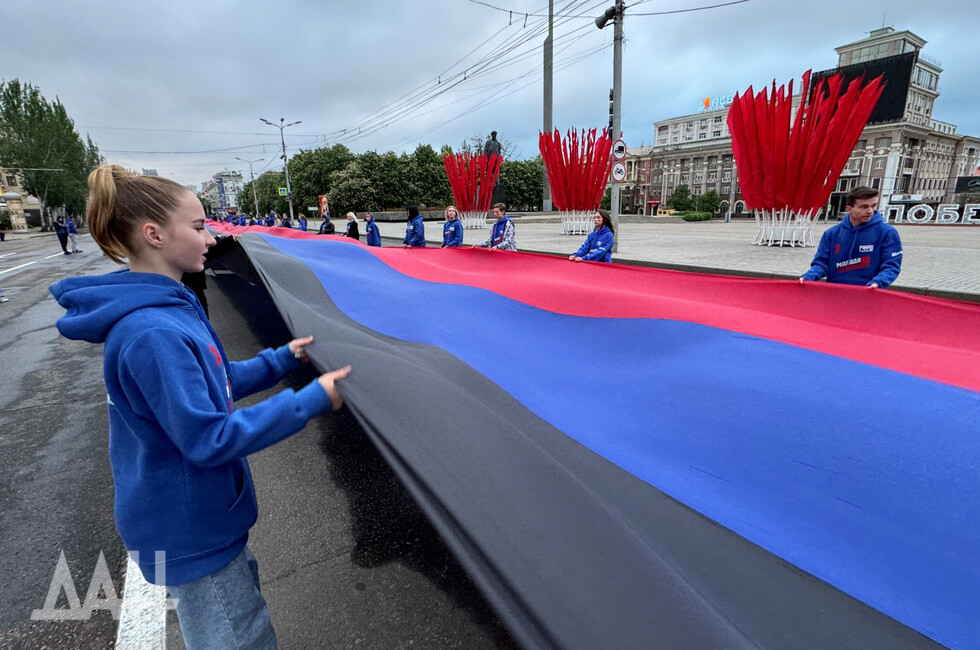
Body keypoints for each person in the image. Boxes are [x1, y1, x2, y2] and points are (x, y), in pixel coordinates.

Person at [48, 165, 351, 650]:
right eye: (198, 226)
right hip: (191, 531)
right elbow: (208, 437)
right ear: (155, 235)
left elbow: (218, 379)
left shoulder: (171, 307)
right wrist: (310, 400)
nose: (211, 237)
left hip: (201, 520)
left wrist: (280, 360)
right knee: (237, 638)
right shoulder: (154, 333)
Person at [799, 186, 903, 289]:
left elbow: (891, 266)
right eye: (864, 207)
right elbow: (822, 264)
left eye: (873, 206)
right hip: (835, 295)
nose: (870, 211)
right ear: (849, 209)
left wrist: (878, 282)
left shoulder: (887, 232)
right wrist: (809, 276)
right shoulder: (831, 233)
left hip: (869, 295)